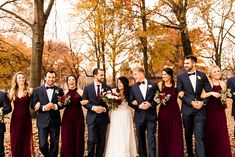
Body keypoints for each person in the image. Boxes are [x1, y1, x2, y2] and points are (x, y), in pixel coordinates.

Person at [177, 55, 211, 157]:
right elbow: (180, 93)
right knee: (188, 134)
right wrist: (190, 102)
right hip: (187, 109)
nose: (185, 65)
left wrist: (203, 102)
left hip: (200, 110)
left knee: (199, 135)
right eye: (184, 63)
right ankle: (190, 154)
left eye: (187, 63)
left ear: (194, 63)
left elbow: (209, 91)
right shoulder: (180, 77)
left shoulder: (202, 75)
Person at [201, 65, 232, 157]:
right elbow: (202, 95)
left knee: (222, 133)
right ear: (210, 74)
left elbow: (224, 97)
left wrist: (224, 97)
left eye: (218, 71)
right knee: (211, 133)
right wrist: (211, 93)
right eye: (215, 71)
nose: (217, 73)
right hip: (210, 112)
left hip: (220, 111)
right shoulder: (208, 83)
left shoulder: (223, 84)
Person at [31, 70, 64, 157]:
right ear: (45, 78)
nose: (51, 79)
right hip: (42, 121)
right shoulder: (36, 90)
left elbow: (63, 104)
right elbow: (33, 105)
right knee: (42, 145)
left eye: (53, 77)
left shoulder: (59, 90)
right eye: (49, 77)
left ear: (55, 78)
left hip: (55, 121)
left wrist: (55, 106)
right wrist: (43, 107)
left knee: (55, 145)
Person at [128, 66, 158, 157]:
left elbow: (158, 98)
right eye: (133, 75)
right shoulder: (133, 88)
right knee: (140, 141)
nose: (134, 76)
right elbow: (130, 101)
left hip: (151, 116)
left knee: (151, 139)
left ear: (141, 72)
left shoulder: (153, 85)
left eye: (135, 74)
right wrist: (138, 106)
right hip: (139, 117)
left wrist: (150, 104)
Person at [105, 76, 137, 157]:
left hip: (125, 115)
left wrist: (135, 102)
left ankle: (125, 154)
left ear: (124, 83)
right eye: (118, 82)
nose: (119, 84)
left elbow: (132, 102)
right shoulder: (113, 92)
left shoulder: (129, 92)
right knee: (116, 134)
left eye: (120, 82)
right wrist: (111, 102)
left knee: (125, 134)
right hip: (115, 115)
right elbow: (108, 104)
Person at [82, 68, 111, 157]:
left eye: (103, 75)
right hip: (92, 118)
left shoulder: (107, 88)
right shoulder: (87, 88)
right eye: (101, 75)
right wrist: (93, 107)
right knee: (91, 140)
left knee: (101, 142)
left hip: (103, 118)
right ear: (95, 76)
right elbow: (84, 102)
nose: (103, 76)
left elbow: (111, 103)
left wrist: (104, 109)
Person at [157, 68, 184, 157]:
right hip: (163, 111)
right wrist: (159, 100)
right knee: (164, 133)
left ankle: (175, 153)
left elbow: (181, 96)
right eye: (163, 74)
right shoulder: (160, 85)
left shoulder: (176, 85)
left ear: (170, 75)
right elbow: (156, 98)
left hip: (174, 111)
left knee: (175, 133)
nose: (164, 76)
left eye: (165, 74)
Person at [9, 71, 32, 157]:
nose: (21, 79)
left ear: (25, 79)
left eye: (23, 77)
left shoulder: (30, 91)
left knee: (25, 140)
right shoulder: (12, 92)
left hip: (26, 119)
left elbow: (35, 102)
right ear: (16, 80)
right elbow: (6, 105)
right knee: (16, 140)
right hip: (15, 119)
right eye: (19, 78)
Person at [60, 75, 85, 157]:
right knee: (67, 138)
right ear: (67, 82)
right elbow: (61, 105)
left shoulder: (81, 92)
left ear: (75, 81)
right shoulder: (64, 92)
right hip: (67, 117)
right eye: (69, 80)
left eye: (73, 79)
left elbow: (86, 102)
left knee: (78, 137)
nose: (71, 81)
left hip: (78, 117)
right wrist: (61, 103)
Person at [0, 90, 12, 157]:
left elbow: (8, 108)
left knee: (0, 149)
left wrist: (0, 111)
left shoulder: (2, 94)